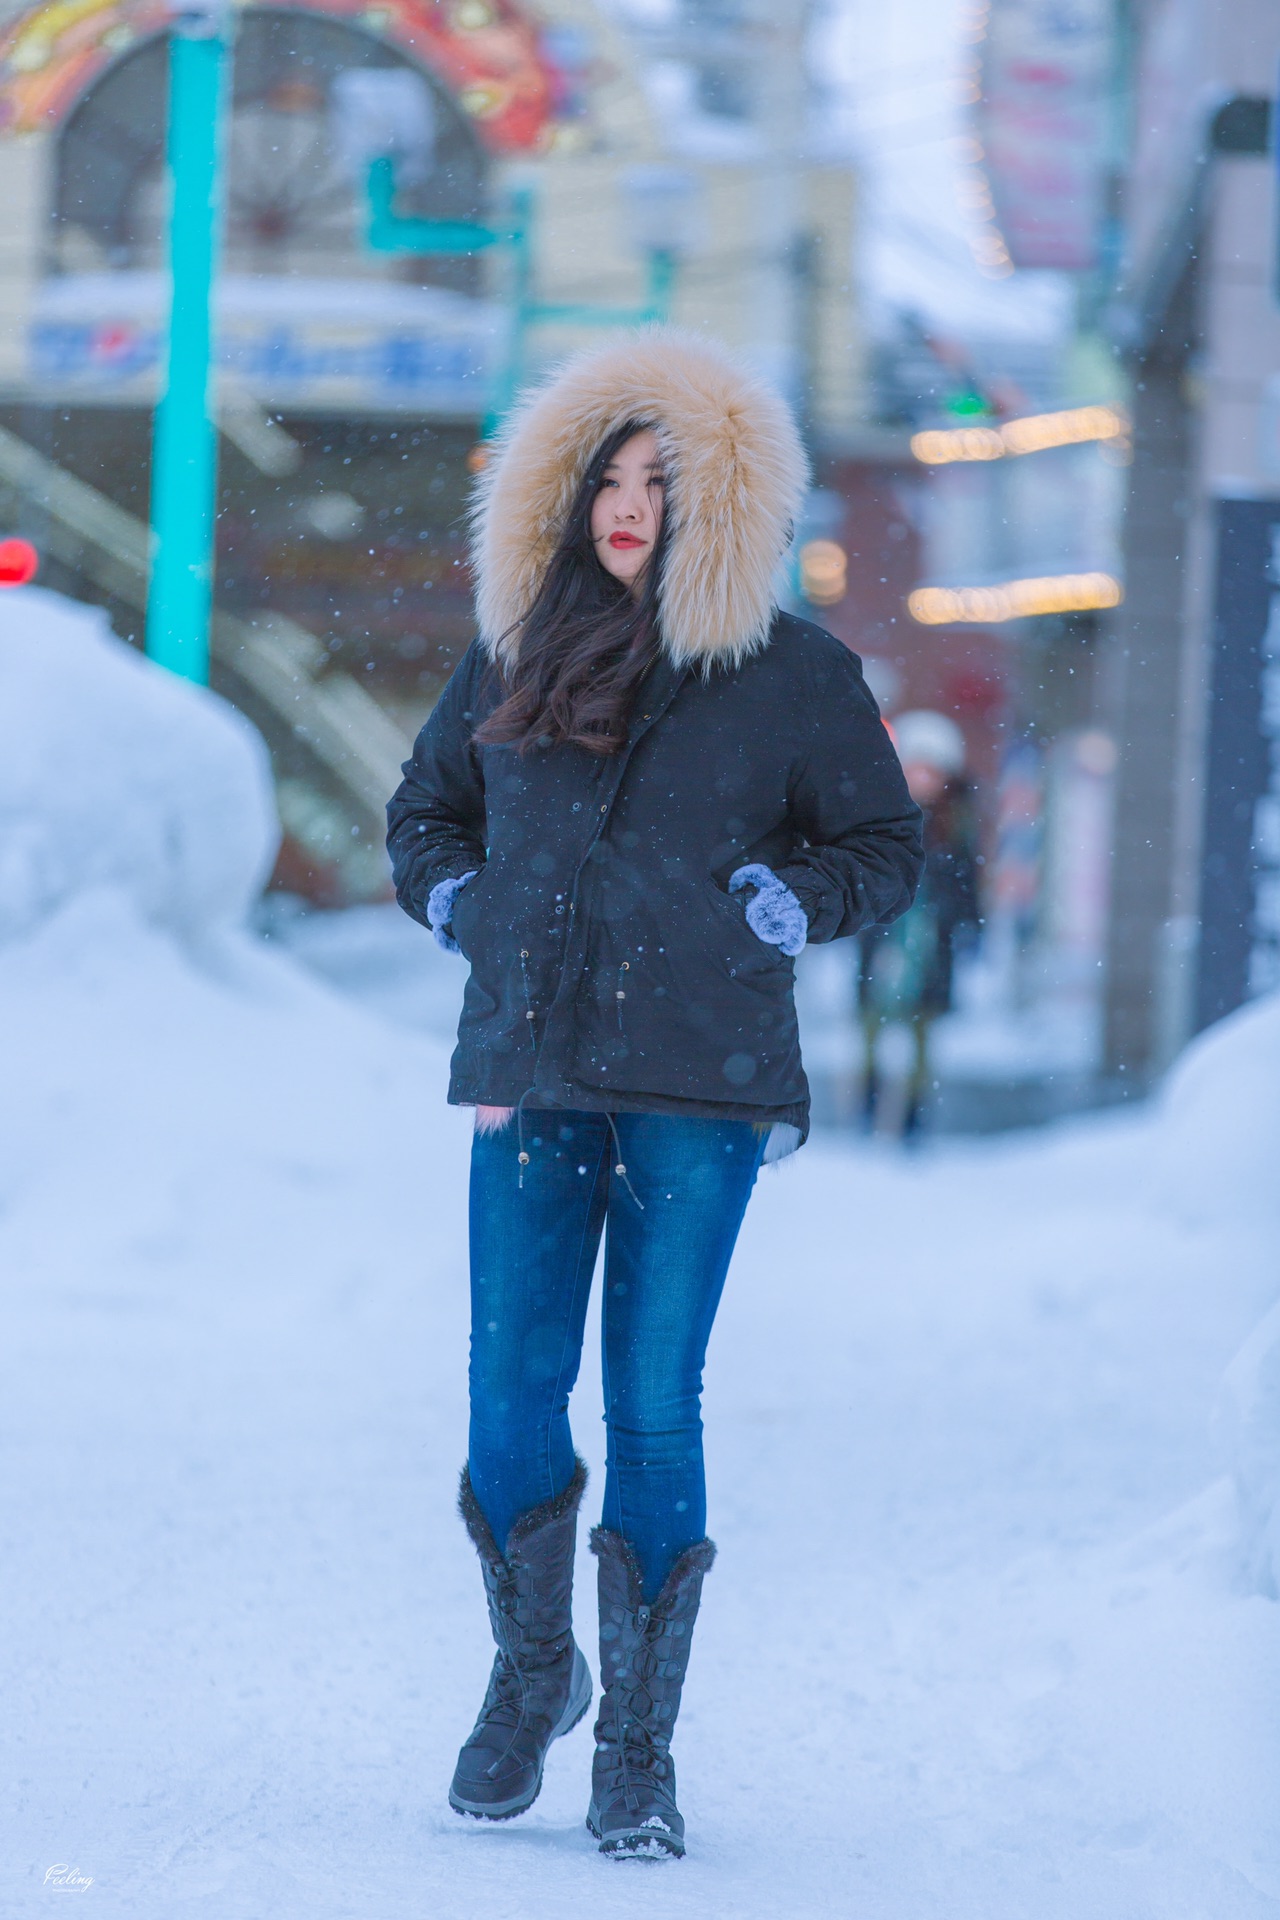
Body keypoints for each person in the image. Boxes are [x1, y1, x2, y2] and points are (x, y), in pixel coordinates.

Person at [386, 330, 923, 1859]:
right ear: (566, 494)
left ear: (724, 506)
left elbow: (881, 848)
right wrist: (458, 904)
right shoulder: (515, 651)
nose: (631, 504)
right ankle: (534, 1672)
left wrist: (792, 900)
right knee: (507, 1395)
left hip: (704, 1083)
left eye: (664, 480)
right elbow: (425, 812)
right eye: (609, 476)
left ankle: (637, 1745)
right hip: (532, 1074)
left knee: (652, 1407)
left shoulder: (796, 674)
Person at [857, 709, 981, 1139]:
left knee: (922, 1033)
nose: (924, 779)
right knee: (873, 1024)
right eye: (916, 768)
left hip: (931, 941)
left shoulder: (957, 824)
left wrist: (969, 927)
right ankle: (867, 1106)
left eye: (932, 770)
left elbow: (968, 883)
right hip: (884, 935)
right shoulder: (881, 814)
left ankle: (913, 1115)